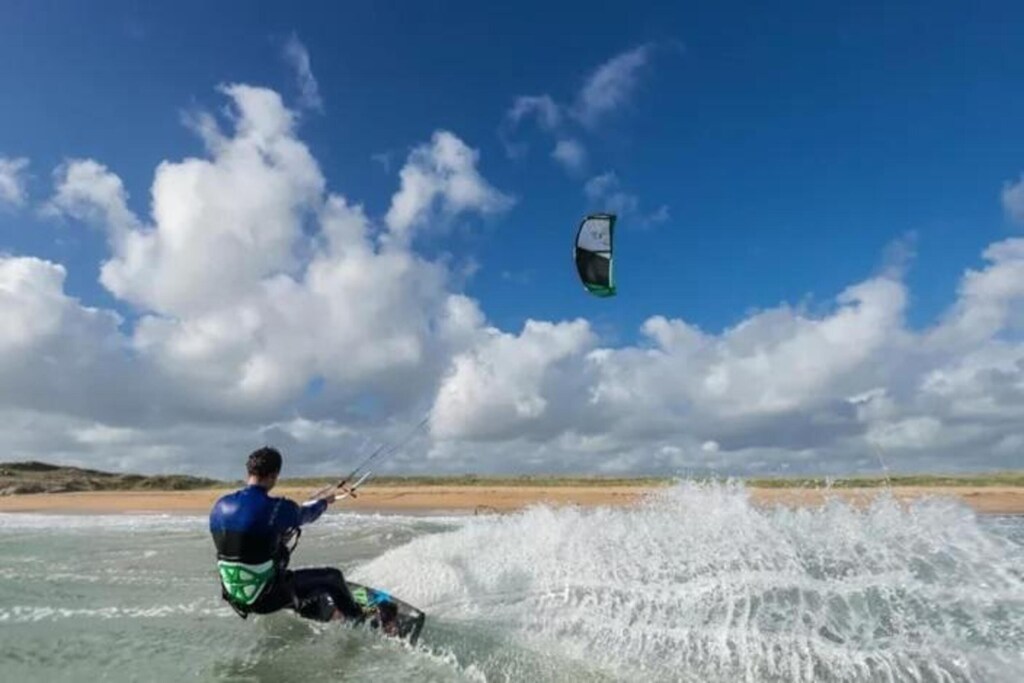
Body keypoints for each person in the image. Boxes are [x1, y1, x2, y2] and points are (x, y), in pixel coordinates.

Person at [209, 446, 374, 625]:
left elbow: (243, 546)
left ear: (248, 472)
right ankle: (359, 619)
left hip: (236, 596)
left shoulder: (220, 506)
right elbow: (308, 515)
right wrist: (324, 501)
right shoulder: (279, 507)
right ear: (274, 475)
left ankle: (322, 612)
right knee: (333, 578)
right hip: (266, 597)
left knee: (286, 575)